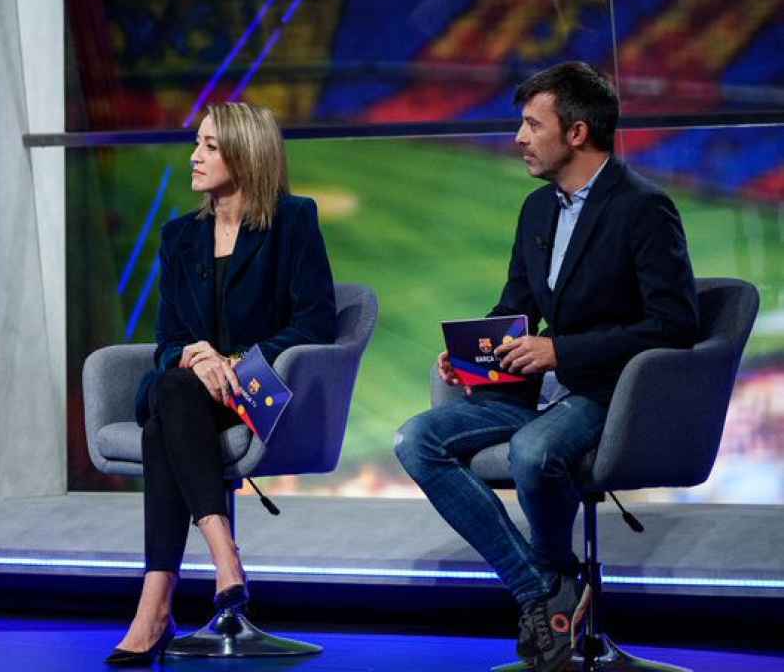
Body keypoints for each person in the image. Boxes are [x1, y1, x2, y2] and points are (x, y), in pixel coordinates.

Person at [394, 62, 697, 672]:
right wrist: (471, 358)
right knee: (416, 440)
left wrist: (563, 352)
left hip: (609, 392)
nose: (519, 138)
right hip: (535, 390)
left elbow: (675, 324)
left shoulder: (643, 207)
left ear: (578, 132)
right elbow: (516, 309)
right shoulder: (537, 210)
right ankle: (545, 587)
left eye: (532, 124)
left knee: (535, 450)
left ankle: (550, 591)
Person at [107, 102, 337, 665]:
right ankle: (221, 552)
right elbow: (167, 340)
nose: (195, 156)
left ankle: (155, 606)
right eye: (197, 143)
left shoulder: (293, 221)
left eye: (210, 145)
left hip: (259, 393)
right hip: (190, 392)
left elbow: (315, 321)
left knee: (167, 408)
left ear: (246, 152)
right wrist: (192, 355)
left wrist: (234, 362)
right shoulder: (180, 236)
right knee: (174, 390)